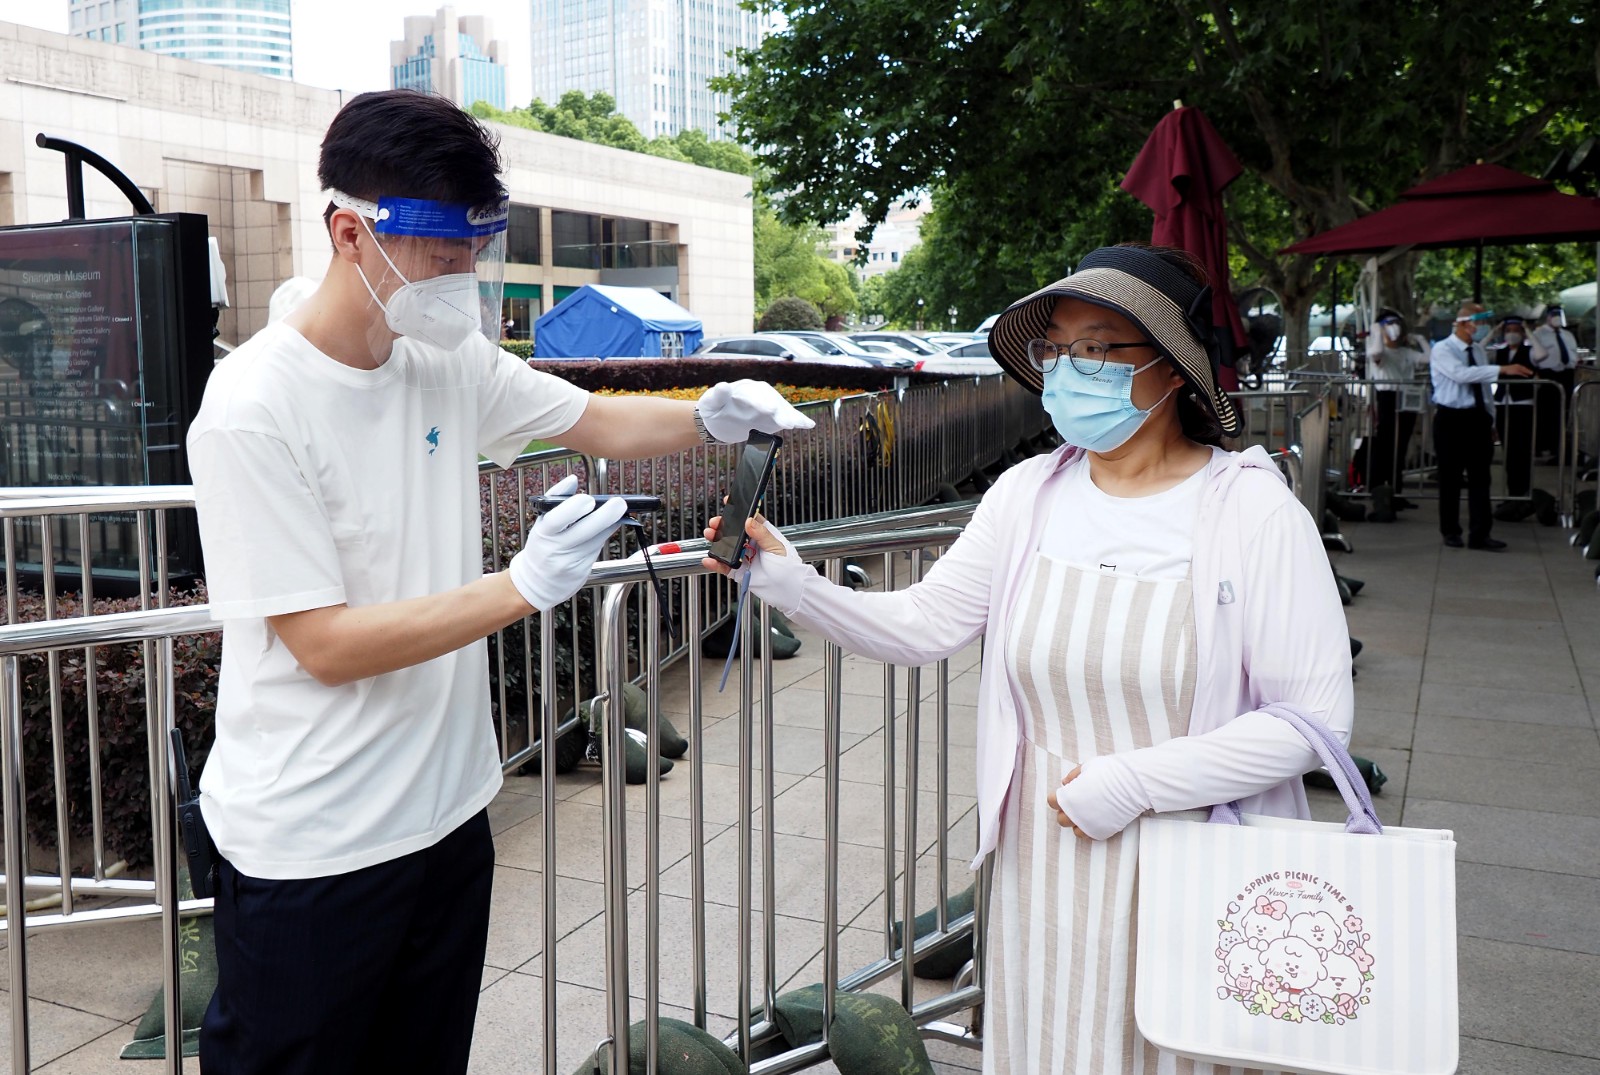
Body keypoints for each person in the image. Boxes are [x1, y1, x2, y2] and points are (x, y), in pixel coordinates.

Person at [185, 89, 810, 1075]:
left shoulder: (444, 359)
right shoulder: (253, 406)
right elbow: (323, 644)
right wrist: (521, 585)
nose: (461, 279)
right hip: (313, 846)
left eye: (473, 251)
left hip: (447, 819)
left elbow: (590, 419)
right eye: (442, 256)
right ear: (351, 232)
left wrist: (711, 415)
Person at [705, 243, 1354, 1073]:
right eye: (1058, 348)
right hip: (1037, 864)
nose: (1069, 368)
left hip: (1192, 860)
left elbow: (1312, 720)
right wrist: (793, 583)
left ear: (1171, 367)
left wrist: (1136, 782)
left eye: (1097, 347)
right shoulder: (1028, 494)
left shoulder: (1254, 513)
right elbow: (924, 623)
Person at [1429, 302, 1533, 550]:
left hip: (1477, 418)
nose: (1483, 326)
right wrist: (1503, 369)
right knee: (1451, 478)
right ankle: (1450, 530)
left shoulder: (1477, 350)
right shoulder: (1443, 349)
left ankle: (1480, 533)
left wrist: (1491, 419)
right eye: (1480, 321)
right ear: (1465, 323)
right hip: (1451, 418)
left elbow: (1485, 389)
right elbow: (1461, 375)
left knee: (1480, 478)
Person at [1362, 308, 1427, 520]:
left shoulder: (1406, 352)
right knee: (1386, 446)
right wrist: (1377, 331)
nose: (1394, 328)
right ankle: (1381, 491)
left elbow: (1430, 358)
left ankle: (1396, 491)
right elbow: (1376, 352)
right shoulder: (1379, 352)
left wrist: (1420, 339)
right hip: (1387, 398)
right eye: (1389, 324)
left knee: (1401, 447)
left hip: (1406, 398)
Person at [1489, 314, 1538, 517]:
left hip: (1522, 404)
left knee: (1522, 451)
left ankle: (1522, 494)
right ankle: (1512, 495)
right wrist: (1493, 332)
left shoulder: (1530, 351)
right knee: (1509, 452)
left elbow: (1542, 354)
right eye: (1508, 331)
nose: (1511, 335)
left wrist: (1529, 333)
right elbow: (1478, 352)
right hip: (1503, 403)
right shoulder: (1500, 353)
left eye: (1516, 331)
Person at [1530, 303, 1579, 461]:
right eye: (1554, 315)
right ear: (1548, 317)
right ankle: (1542, 445)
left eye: (1559, 315)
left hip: (1567, 374)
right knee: (1546, 412)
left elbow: (1573, 352)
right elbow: (1534, 355)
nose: (1557, 318)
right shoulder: (1539, 333)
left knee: (1563, 410)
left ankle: (1558, 445)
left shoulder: (1568, 335)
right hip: (1548, 374)